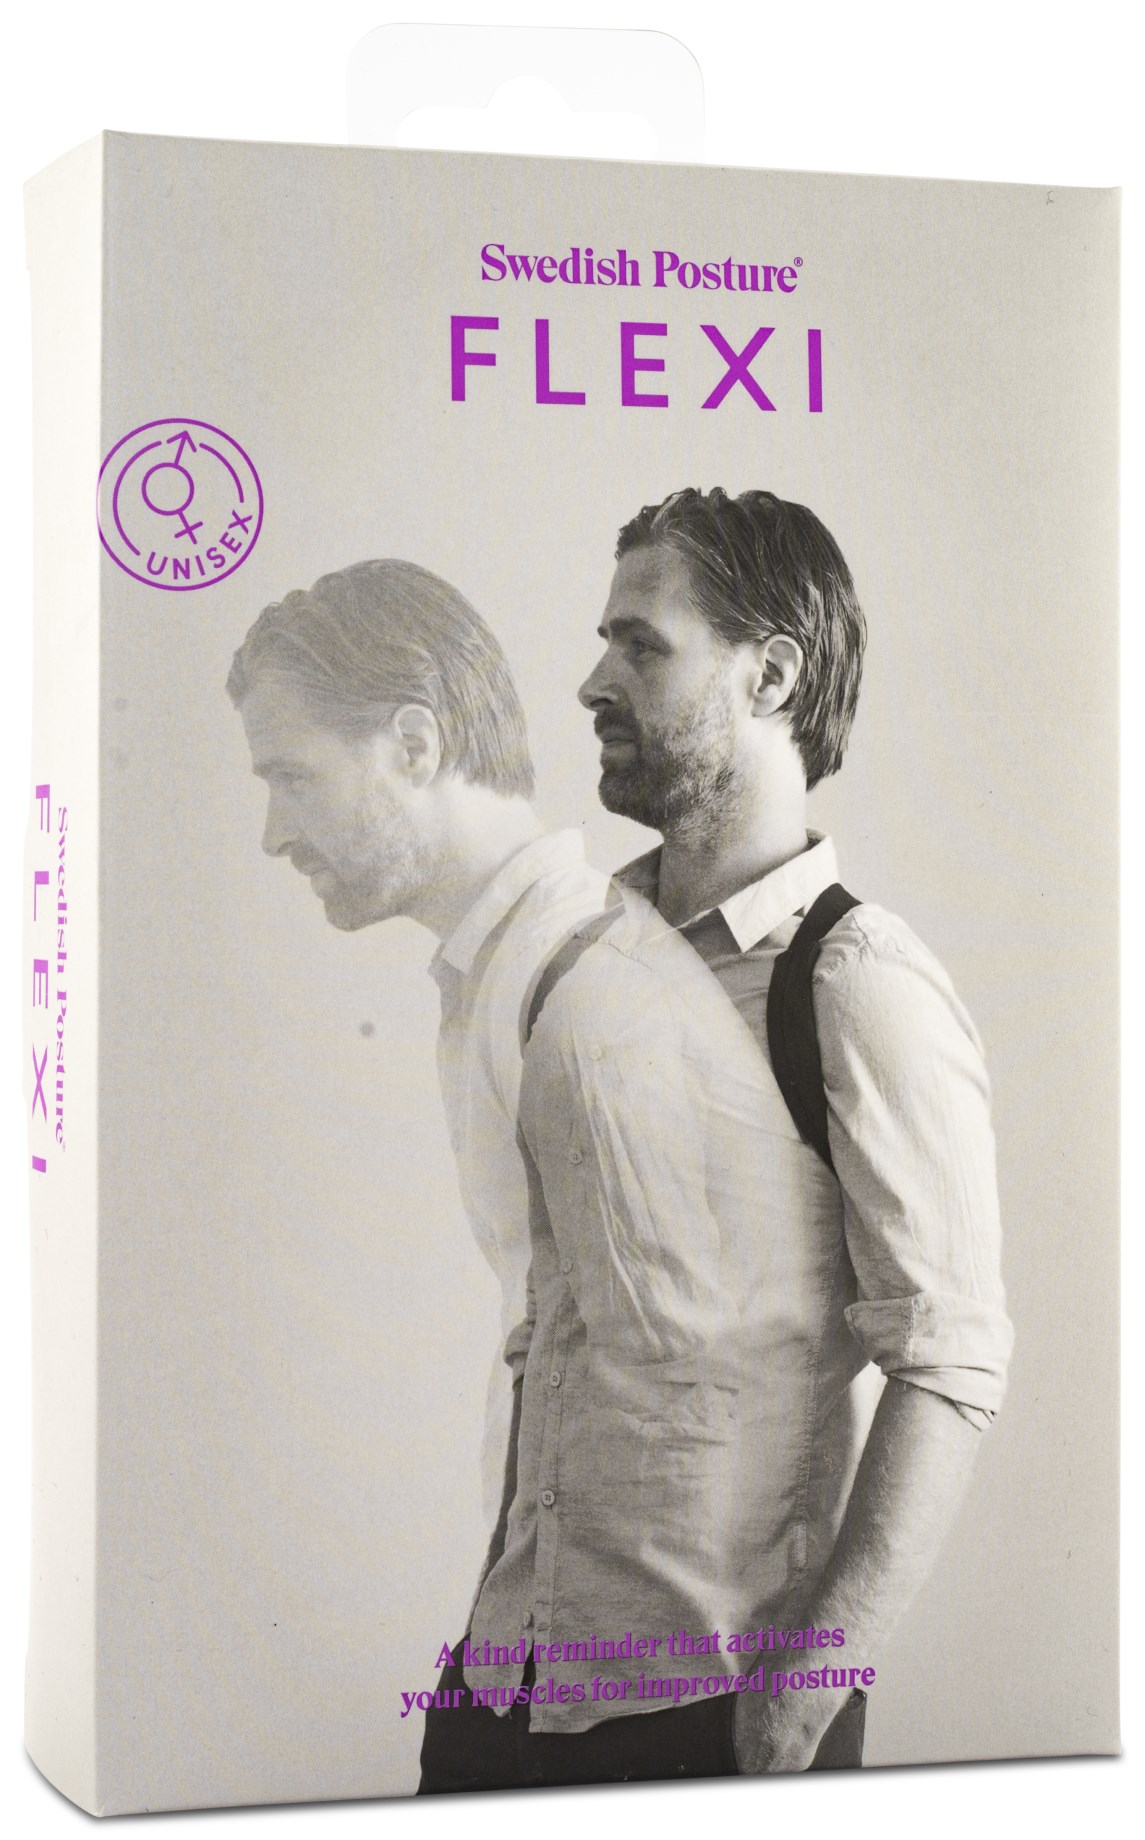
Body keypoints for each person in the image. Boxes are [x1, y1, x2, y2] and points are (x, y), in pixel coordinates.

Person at [422, 489, 1012, 1788]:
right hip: (500, 1687)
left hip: (712, 1713)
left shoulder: (852, 980)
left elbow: (950, 1358)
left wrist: (802, 1699)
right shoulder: (570, 963)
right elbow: (550, 1325)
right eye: (603, 643)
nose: (593, 681)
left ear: (771, 674)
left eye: (641, 645)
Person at [226, 558, 611, 1524]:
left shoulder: (573, 978)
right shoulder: (504, 970)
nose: (274, 835)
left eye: (293, 778)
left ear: (413, 744)